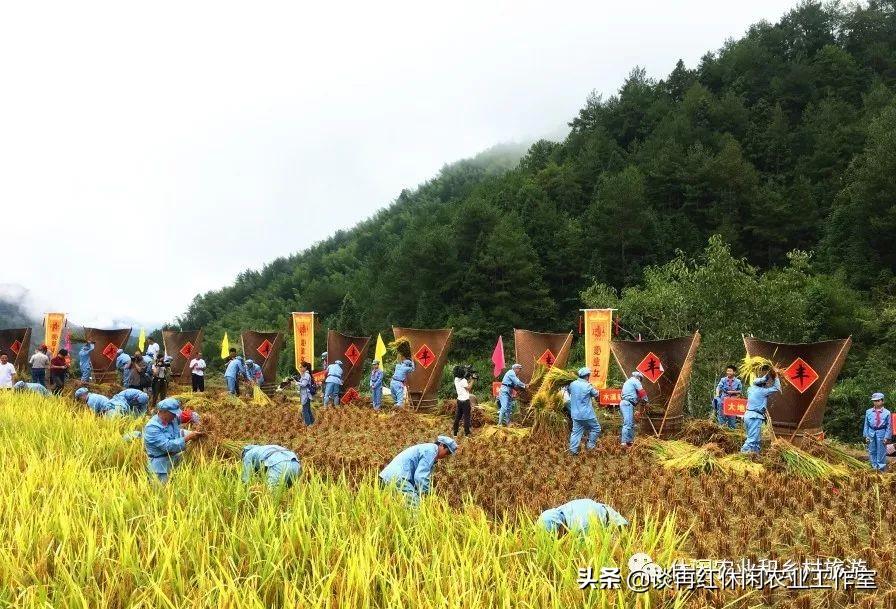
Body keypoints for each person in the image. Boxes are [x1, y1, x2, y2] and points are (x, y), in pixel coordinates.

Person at [379, 435, 457, 507]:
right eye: (447, 452)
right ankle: (415, 522)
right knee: (415, 505)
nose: (446, 456)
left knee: (395, 504)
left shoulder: (428, 449)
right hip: (399, 477)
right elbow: (420, 477)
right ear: (441, 445)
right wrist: (428, 495)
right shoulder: (431, 451)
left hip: (388, 476)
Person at [142, 398, 203, 483]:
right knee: (161, 493)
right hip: (160, 467)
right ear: (163, 412)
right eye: (173, 413)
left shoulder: (171, 418)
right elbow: (167, 446)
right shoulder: (152, 427)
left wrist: (192, 416)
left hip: (174, 460)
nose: (175, 416)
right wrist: (188, 438)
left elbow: (182, 416)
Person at [740, 370, 781, 453]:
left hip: (748, 416)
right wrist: (776, 376)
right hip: (754, 417)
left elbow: (756, 381)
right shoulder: (762, 391)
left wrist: (766, 376)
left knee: (756, 439)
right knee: (752, 440)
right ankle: (743, 455)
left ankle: (755, 455)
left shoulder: (750, 389)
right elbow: (777, 388)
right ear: (763, 385)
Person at [538, 499, 628, 535]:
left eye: (555, 534)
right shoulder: (557, 513)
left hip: (609, 518)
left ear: (560, 526)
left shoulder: (581, 526)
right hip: (592, 507)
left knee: (622, 538)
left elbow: (591, 548)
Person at [567, 367, 601, 455]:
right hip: (587, 414)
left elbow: (569, 391)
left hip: (575, 414)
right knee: (596, 428)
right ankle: (590, 446)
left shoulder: (572, 384)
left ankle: (573, 451)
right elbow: (596, 394)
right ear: (587, 376)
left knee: (576, 432)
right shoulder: (588, 385)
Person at [864, 392, 892, 472]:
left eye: (878, 400)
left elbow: (888, 426)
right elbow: (866, 424)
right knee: (872, 450)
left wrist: (887, 437)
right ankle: (874, 468)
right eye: (874, 401)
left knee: (881, 451)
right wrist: (866, 435)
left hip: (881, 433)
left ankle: (881, 469)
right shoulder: (868, 412)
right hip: (871, 432)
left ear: (882, 401)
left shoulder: (887, 412)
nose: (876, 402)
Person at [620, 371, 648, 447]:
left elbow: (625, 394)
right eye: (640, 379)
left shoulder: (627, 382)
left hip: (625, 403)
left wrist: (638, 400)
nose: (640, 381)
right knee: (627, 423)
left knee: (631, 423)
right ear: (638, 377)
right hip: (627, 404)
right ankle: (624, 442)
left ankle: (630, 441)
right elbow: (641, 392)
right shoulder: (635, 381)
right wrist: (646, 401)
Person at [453, 366, 474, 437]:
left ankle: (455, 432)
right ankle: (467, 433)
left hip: (459, 400)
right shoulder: (463, 381)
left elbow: (464, 383)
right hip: (465, 401)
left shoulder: (456, 379)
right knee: (466, 417)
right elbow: (469, 388)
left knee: (458, 417)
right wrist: (472, 380)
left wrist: (467, 377)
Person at [298, 361, 314, 426]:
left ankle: (308, 424)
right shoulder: (305, 374)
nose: (300, 368)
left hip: (306, 395)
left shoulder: (306, 375)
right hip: (306, 394)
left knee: (305, 410)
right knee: (308, 409)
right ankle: (312, 422)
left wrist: (296, 383)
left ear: (305, 367)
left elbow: (304, 384)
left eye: (301, 367)